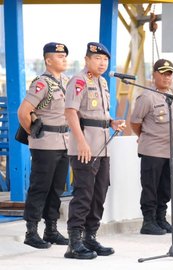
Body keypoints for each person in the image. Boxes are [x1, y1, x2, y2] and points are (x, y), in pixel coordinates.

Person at [64, 42, 125, 259]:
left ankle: (90, 236)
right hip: (85, 148)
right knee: (84, 194)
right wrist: (81, 142)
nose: (102, 63)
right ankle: (74, 242)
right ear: (87, 59)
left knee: (99, 193)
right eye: (97, 59)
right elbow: (71, 112)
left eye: (105, 60)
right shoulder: (79, 80)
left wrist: (112, 122)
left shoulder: (102, 83)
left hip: (102, 147)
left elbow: (99, 113)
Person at [18, 42, 70, 249]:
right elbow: (24, 112)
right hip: (45, 144)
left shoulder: (66, 81)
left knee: (57, 188)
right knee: (40, 187)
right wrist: (35, 135)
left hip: (64, 143)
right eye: (59, 56)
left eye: (65, 56)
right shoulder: (42, 83)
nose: (64, 59)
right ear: (48, 60)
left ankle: (51, 230)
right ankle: (31, 232)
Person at [130, 59, 173, 235]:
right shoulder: (147, 96)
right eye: (163, 74)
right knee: (150, 187)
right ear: (154, 75)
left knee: (165, 188)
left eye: (169, 74)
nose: (167, 78)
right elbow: (135, 122)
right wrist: (145, 136)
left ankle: (160, 218)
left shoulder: (171, 97)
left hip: (169, 151)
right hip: (152, 150)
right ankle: (148, 221)